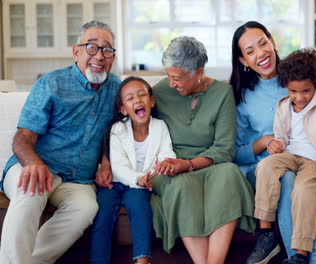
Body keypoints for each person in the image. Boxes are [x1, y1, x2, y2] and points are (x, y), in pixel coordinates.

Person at [0, 20, 121, 264]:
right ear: (76, 51)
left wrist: (106, 163)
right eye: (92, 47)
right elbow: (23, 138)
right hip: (36, 166)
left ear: (113, 57)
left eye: (107, 49)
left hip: (78, 180)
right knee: (30, 191)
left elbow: (117, 133)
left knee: (86, 208)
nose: (99, 55)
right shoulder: (51, 84)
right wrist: (33, 164)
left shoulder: (116, 89)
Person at [230, 21, 316, 264]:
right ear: (243, 60)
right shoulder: (242, 97)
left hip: (315, 158)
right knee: (289, 180)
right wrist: (263, 142)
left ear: (272, 41)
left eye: (263, 43)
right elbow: (234, 152)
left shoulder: (304, 77)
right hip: (272, 166)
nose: (261, 53)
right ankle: (278, 244)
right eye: (250, 51)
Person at [149, 36, 255, 264]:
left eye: (177, 78)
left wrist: (189, 165)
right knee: (182, 185)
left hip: (209, 165)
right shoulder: (158, 92)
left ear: (198, 73)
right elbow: (133, 126)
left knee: (230, 174)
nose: (171, 83)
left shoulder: (222, 93)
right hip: (171, 168)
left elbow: (224, 149)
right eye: (168, 76)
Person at [254, 49, 316, 264]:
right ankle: (265, 230)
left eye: (306, 91)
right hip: (290, 155)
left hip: (314, 160)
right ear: (286, 86)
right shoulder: (284, 105)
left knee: (303, 191)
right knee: (265, 165)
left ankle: (300, 255)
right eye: (294, 91)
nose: (300, 97)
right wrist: (276, 143)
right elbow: (281, 136)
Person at [90, 77, 176, 264]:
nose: (137, 100)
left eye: (142, 95)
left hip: (142, 184)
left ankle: (143, 260)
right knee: (103, 212)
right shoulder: (117, 129)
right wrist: (138, 179)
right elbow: (118, 166)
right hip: (118, 182)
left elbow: (166, 153)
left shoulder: (160, 127)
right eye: (130, 99)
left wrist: (166, 164)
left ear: (151, 101)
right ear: (123, 109)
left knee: (140, 208)